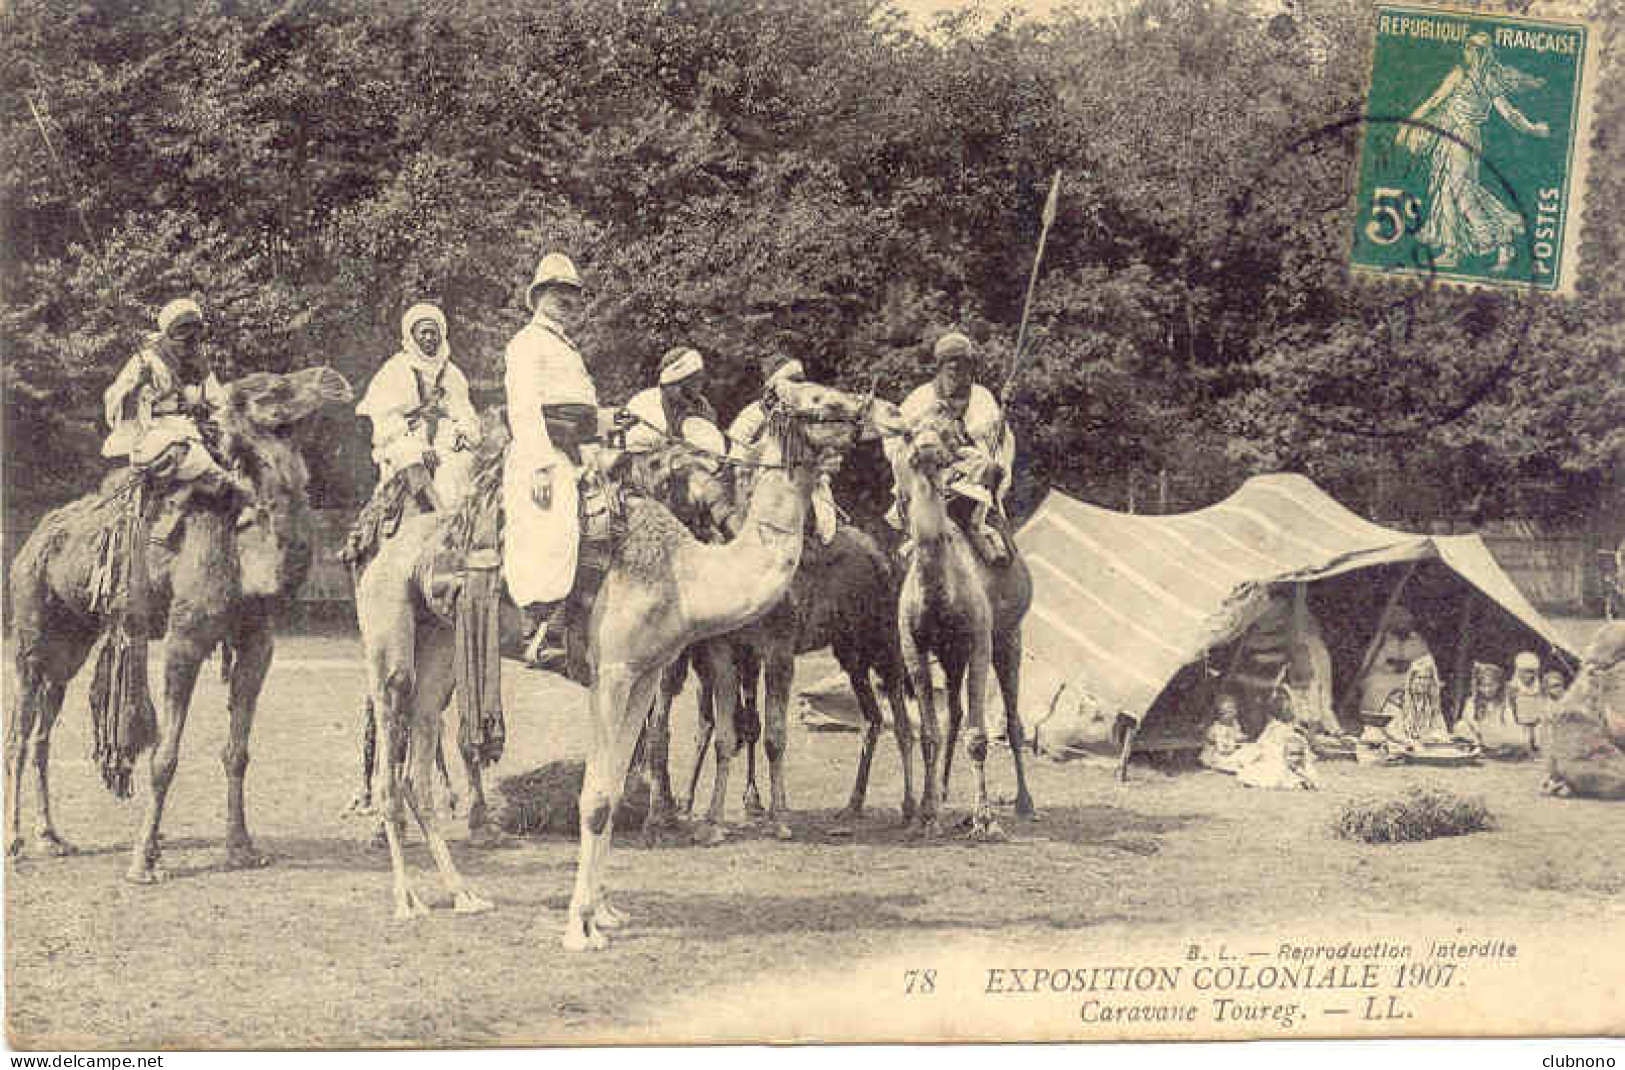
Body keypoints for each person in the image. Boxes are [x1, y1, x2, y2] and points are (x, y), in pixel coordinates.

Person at [502, 252, 610, 672]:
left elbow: (585, 409)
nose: (566, 299)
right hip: (543, 450)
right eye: (557, 291)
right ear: (538, 296)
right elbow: (525, 408)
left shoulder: (568, 348)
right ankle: (542, 629)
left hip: (582, 448)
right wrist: (540, 465)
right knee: (555, 520)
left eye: (572, 293)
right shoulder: (526, 343)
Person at [1397, 32, 1550, 272]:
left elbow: (1436, 101)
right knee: (1451, 191)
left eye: (1470, 49)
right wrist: (1532, 129)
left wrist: (1532, 129)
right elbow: (1437, 100)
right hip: (1458, 136)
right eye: (1466, 48)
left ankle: (1491, 235)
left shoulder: (1474, 77)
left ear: (1480, 52)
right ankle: (1457, 249)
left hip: (1461, 138)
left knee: (1459, 191)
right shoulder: (1483, 78)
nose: (1466, 53)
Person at [102, 298, 252, 514]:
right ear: (169, 334)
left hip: (193, 427)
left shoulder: (199, 363)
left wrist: (215, 422)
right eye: (183, 334)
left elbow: (219, 401)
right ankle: (218, 481)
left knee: (236, 442)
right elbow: (116, 400)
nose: (189, 342)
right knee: (178, 450)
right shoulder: (147, 361)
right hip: (154, 429)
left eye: (194, 335)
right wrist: (138, 387)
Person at [886, 330, 1015, 560]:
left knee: (976, 498)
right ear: (940, 367)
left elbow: (1001, 443)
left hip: (970, 477)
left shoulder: (983, 398)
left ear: (971, 367)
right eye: (950, 364)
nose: (956, 370)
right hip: (929, 475)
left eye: (962, 364)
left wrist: (995, 466)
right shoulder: (920, 399)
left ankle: (980, 535)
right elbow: (895, 438)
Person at [355, 303, 480, 510]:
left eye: (434, 332)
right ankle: (428, 512)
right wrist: (420, 447)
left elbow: (464, 413)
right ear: (412, 336)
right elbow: (384, 418)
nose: (429, 338)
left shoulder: (452, 374)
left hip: (443, 438)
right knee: (412, 461)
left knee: (459, 464)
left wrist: (462, 433)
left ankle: (451, 523)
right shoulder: (396, 369)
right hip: (405, 438)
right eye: (423, 333)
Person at [729, 352, 839, 544]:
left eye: (800, 382)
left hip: (809, 492)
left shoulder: (810, 419)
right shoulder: (752, 416)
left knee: (823, 530)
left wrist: (822, 467)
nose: (797, 389)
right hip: (761, 491)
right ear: (774, 387)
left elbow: (832, 461)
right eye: (791, 382)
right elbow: (736, 462)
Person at [623, 346, 718, 454]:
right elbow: (631, 447)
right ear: (668, 385)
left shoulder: (702, 407)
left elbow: (711, 446)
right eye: (690, 384)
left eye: (699, 380)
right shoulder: (643, 404)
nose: (697, 389)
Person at [1356, 603, 1433, 720]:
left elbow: (1426, 663)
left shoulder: (1418, 641)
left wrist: (1409, 666)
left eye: (1406, 623)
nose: (1403, 625)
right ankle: (1378, 718)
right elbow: (1370, 663)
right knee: (1375, 684)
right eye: (1399, 622)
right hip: (1384, 676)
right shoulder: (1381, 639)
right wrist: (1393, 667)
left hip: (1409, 676)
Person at [1452, 661, 1528, 757]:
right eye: (1483, 686)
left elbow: (1509, 721)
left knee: (1519, 735)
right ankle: (1480, 749)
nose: (1487, 690)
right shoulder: (1472, 701)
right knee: (1461, 726)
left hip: (1498, 734)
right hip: (1479, 734)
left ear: (1499, 684)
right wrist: (1478, 731)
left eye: (1491, 685)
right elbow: (1469, 720)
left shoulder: (1504, 702)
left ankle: (1497, 751)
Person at [1377, 655, 1452, 750]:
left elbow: (1440, 728)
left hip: (1424, 747)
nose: (1423, 682)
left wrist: (1436, 736)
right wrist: (1409, 741)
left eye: (1427, 678)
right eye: (1419, 678)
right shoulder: (1397, 698)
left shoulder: (1431, 703)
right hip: (1400, 745)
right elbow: (1390, 729)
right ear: (1411, 679)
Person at [1199, 693, 1248, 774]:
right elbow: (1219, 745)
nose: (1231, 714)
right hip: (1219, 752)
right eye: (1227, 712)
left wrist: (1241, 737)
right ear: (1219, 715)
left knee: (1245, 751)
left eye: (1233, 710)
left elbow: (1237, 735)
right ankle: (1226, 766)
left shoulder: (1235, 723)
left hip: (1231, 749)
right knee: (1223, 760)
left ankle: (1235, 764)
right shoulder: (1217, 727)